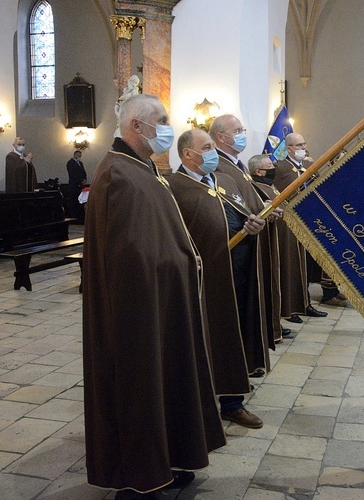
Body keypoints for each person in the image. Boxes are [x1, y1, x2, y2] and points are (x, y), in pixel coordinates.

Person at [82, 94, 225, 497]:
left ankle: (167, 459)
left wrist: (182, 265)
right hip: (137, 312)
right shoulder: (118, 177)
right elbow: (128, 257)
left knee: (167, 382)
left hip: (162, 302)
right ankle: (137, 476)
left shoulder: (143, 169)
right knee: (139, 387)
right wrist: (174, 267)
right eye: (160, 120)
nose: (167, 126)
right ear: (136, 127)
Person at [168, 128, 267, 430]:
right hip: (202, 280)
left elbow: (244, 212)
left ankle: (233, 402)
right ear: (188, 154)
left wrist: (253, 226)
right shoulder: (174, 187)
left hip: (236, 271)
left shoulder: (222, 180)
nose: (213, 152)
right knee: (206, 338)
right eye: (208, 147)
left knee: (231, 335)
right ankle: (201, 403)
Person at [211, 114, 284, 347]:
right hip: (240, 243)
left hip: (253, 236)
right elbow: (231, 203)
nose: (243, 135)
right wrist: (257, 211)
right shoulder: (219, 166)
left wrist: (263, 208)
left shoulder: (236, 164)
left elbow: (246, 198)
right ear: (221, 137)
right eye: (238, 130)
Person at [275, 132, 345, 312]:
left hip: (311, 221)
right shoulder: (280, 167)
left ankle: (308, 300)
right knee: (297, 263)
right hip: (291, 221)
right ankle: (299, 301)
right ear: (288, 148)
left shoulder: (309, 167)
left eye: (304, 144)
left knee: (308, 262)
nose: (303, 148)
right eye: (299, 145)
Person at [249, 153, 300, 341]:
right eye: (270, 165)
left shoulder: (270, 185)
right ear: (259, 171)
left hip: (281, 238)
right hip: (269, 240)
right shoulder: (256, 187)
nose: (274, 167)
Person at [66, 150, 87, 220]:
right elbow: (72, 174)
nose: (79, 157)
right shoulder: (70, 163)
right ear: (75, 155)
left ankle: (80, 215)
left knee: (80, 201)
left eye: (80, 156)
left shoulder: (80, 163)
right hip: (74, 185)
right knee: (74, 200)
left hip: (80, 185)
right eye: (78, 156)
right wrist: (80, 181)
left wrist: (84, 179)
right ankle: (73, 215)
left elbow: (83, 172)